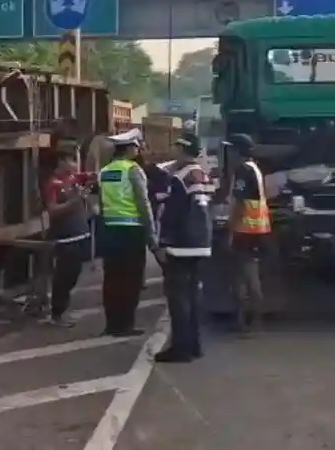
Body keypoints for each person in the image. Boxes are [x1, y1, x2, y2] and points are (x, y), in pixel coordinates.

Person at [154, 134, 214, 363]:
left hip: (181, 244)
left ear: (182, 149)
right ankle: (194, 344)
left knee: (178, 297)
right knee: (194, 295)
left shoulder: (178, 178)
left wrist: (162, 243)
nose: (172, 150)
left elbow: (171, 213)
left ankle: (180, 348)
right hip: (201, 242)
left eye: (175, 146)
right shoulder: (203, 175)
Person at [97, 129, 158, 338]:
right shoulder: (134, 170)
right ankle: (126, 324)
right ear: (130, 148)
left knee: (112, 279)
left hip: (109, 230)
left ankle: (112, 324)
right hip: (131, 232)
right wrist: (152, 237)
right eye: (136, 146)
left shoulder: (104, 171)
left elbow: (101, 205)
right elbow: (144, 204)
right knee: (131, 279)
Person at [222, 133, 273, 335]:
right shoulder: (255, 168)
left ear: (237, 151)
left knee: (244, 277)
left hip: (245, 229)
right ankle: (251, 321)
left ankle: (245, 323)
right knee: (250, 275)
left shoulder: (243, 170)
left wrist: (231, 230)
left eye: (231, 149)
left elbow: (241, 203)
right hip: (258, 229)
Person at [42, 150, 92, 327]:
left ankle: (62, 310)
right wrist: (72, 204)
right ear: (61, 162)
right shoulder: (53, 184)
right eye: (71, 160)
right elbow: (52, 209)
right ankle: (57, 314)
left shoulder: (73, 179)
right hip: (65, 237)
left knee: (73, 274)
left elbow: (91, 177)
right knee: (64, 275)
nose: (75, 164)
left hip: (79, 234)